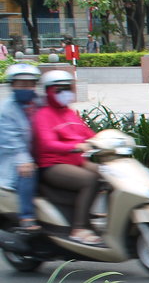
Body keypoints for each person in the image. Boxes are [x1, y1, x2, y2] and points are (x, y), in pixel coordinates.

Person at [31, 69, 103, 245]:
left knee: (109, 173)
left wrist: (107, 140)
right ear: (48, 91)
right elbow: (48, 144)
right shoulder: (43, 115)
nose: (65, 93)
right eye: (59, 89)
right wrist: (75, 146)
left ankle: (96, 217)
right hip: (53, 164)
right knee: (90, 180)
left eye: (67, 88)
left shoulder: (69, 113)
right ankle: (79, 227)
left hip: (76, 161)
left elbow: (88, 133)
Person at [0, 63, 42, 231]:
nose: (27, 88)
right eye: (22, 84)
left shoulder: (39, 103)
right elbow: (11, 140)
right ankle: (26, 216)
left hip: (38, 152)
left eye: (31, 84)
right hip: (13, 157)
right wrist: (24, 160)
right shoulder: (6, 110)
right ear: (13, 85)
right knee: (27, 172)